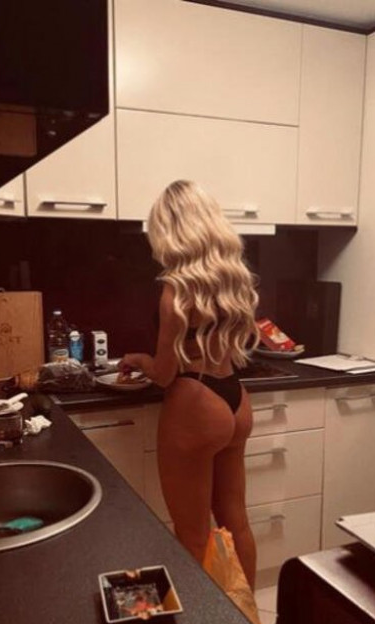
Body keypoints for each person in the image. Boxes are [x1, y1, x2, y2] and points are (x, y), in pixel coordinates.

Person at [120, 180, 261, 587]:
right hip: (234, 398)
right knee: (236, 522)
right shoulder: (233, 281)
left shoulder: (176, 290)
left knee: (193, 533)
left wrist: (139, 361)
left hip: (195, 401)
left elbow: (165, 373)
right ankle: (245, 617)